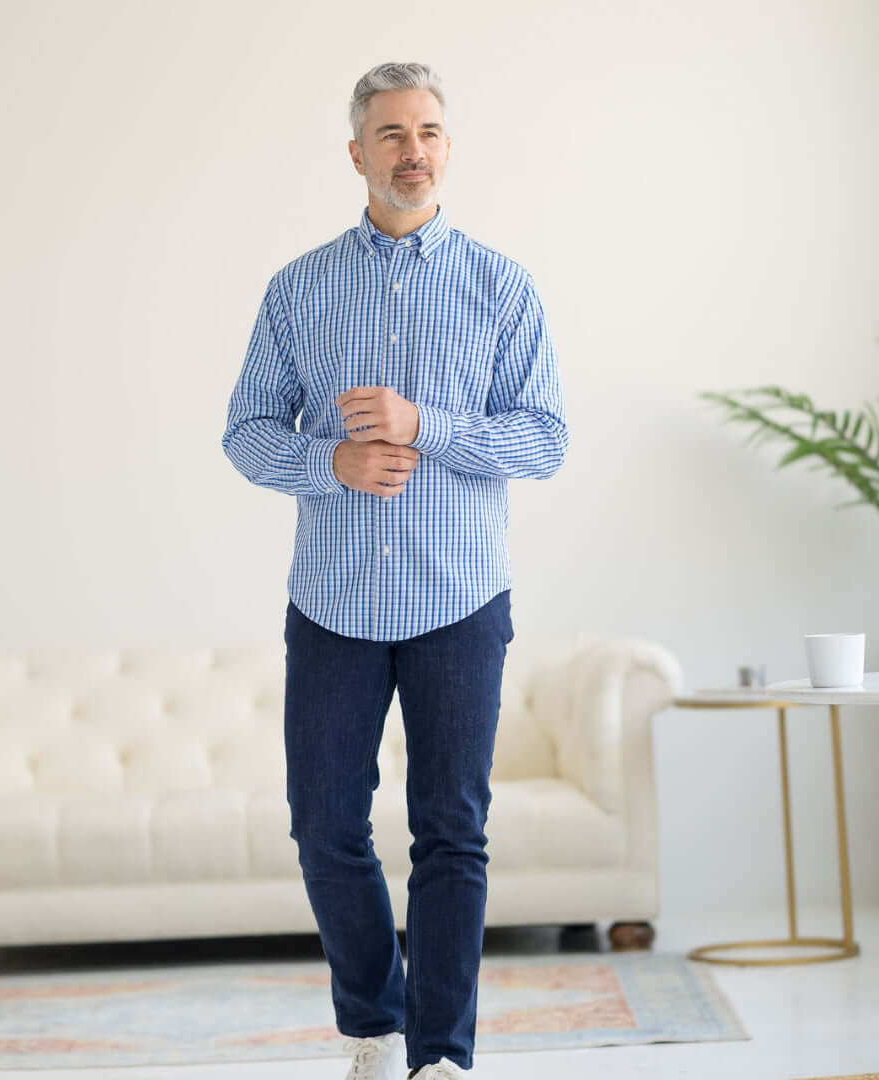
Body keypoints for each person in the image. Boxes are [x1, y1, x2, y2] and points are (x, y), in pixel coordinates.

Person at [222, 61, 568, 1079]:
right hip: (330, 601)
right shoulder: (300, 289)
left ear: (445, 148)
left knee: (450, 831)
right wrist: (329, 462)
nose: (410, 151)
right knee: (324, 823)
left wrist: (433, 427)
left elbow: (545, 438)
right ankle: (374, 1030)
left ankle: (443, 1057)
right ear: (357, 153)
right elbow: (245, 433)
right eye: (390, 134)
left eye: (427, 132)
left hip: (460, 597)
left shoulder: (503, 288)